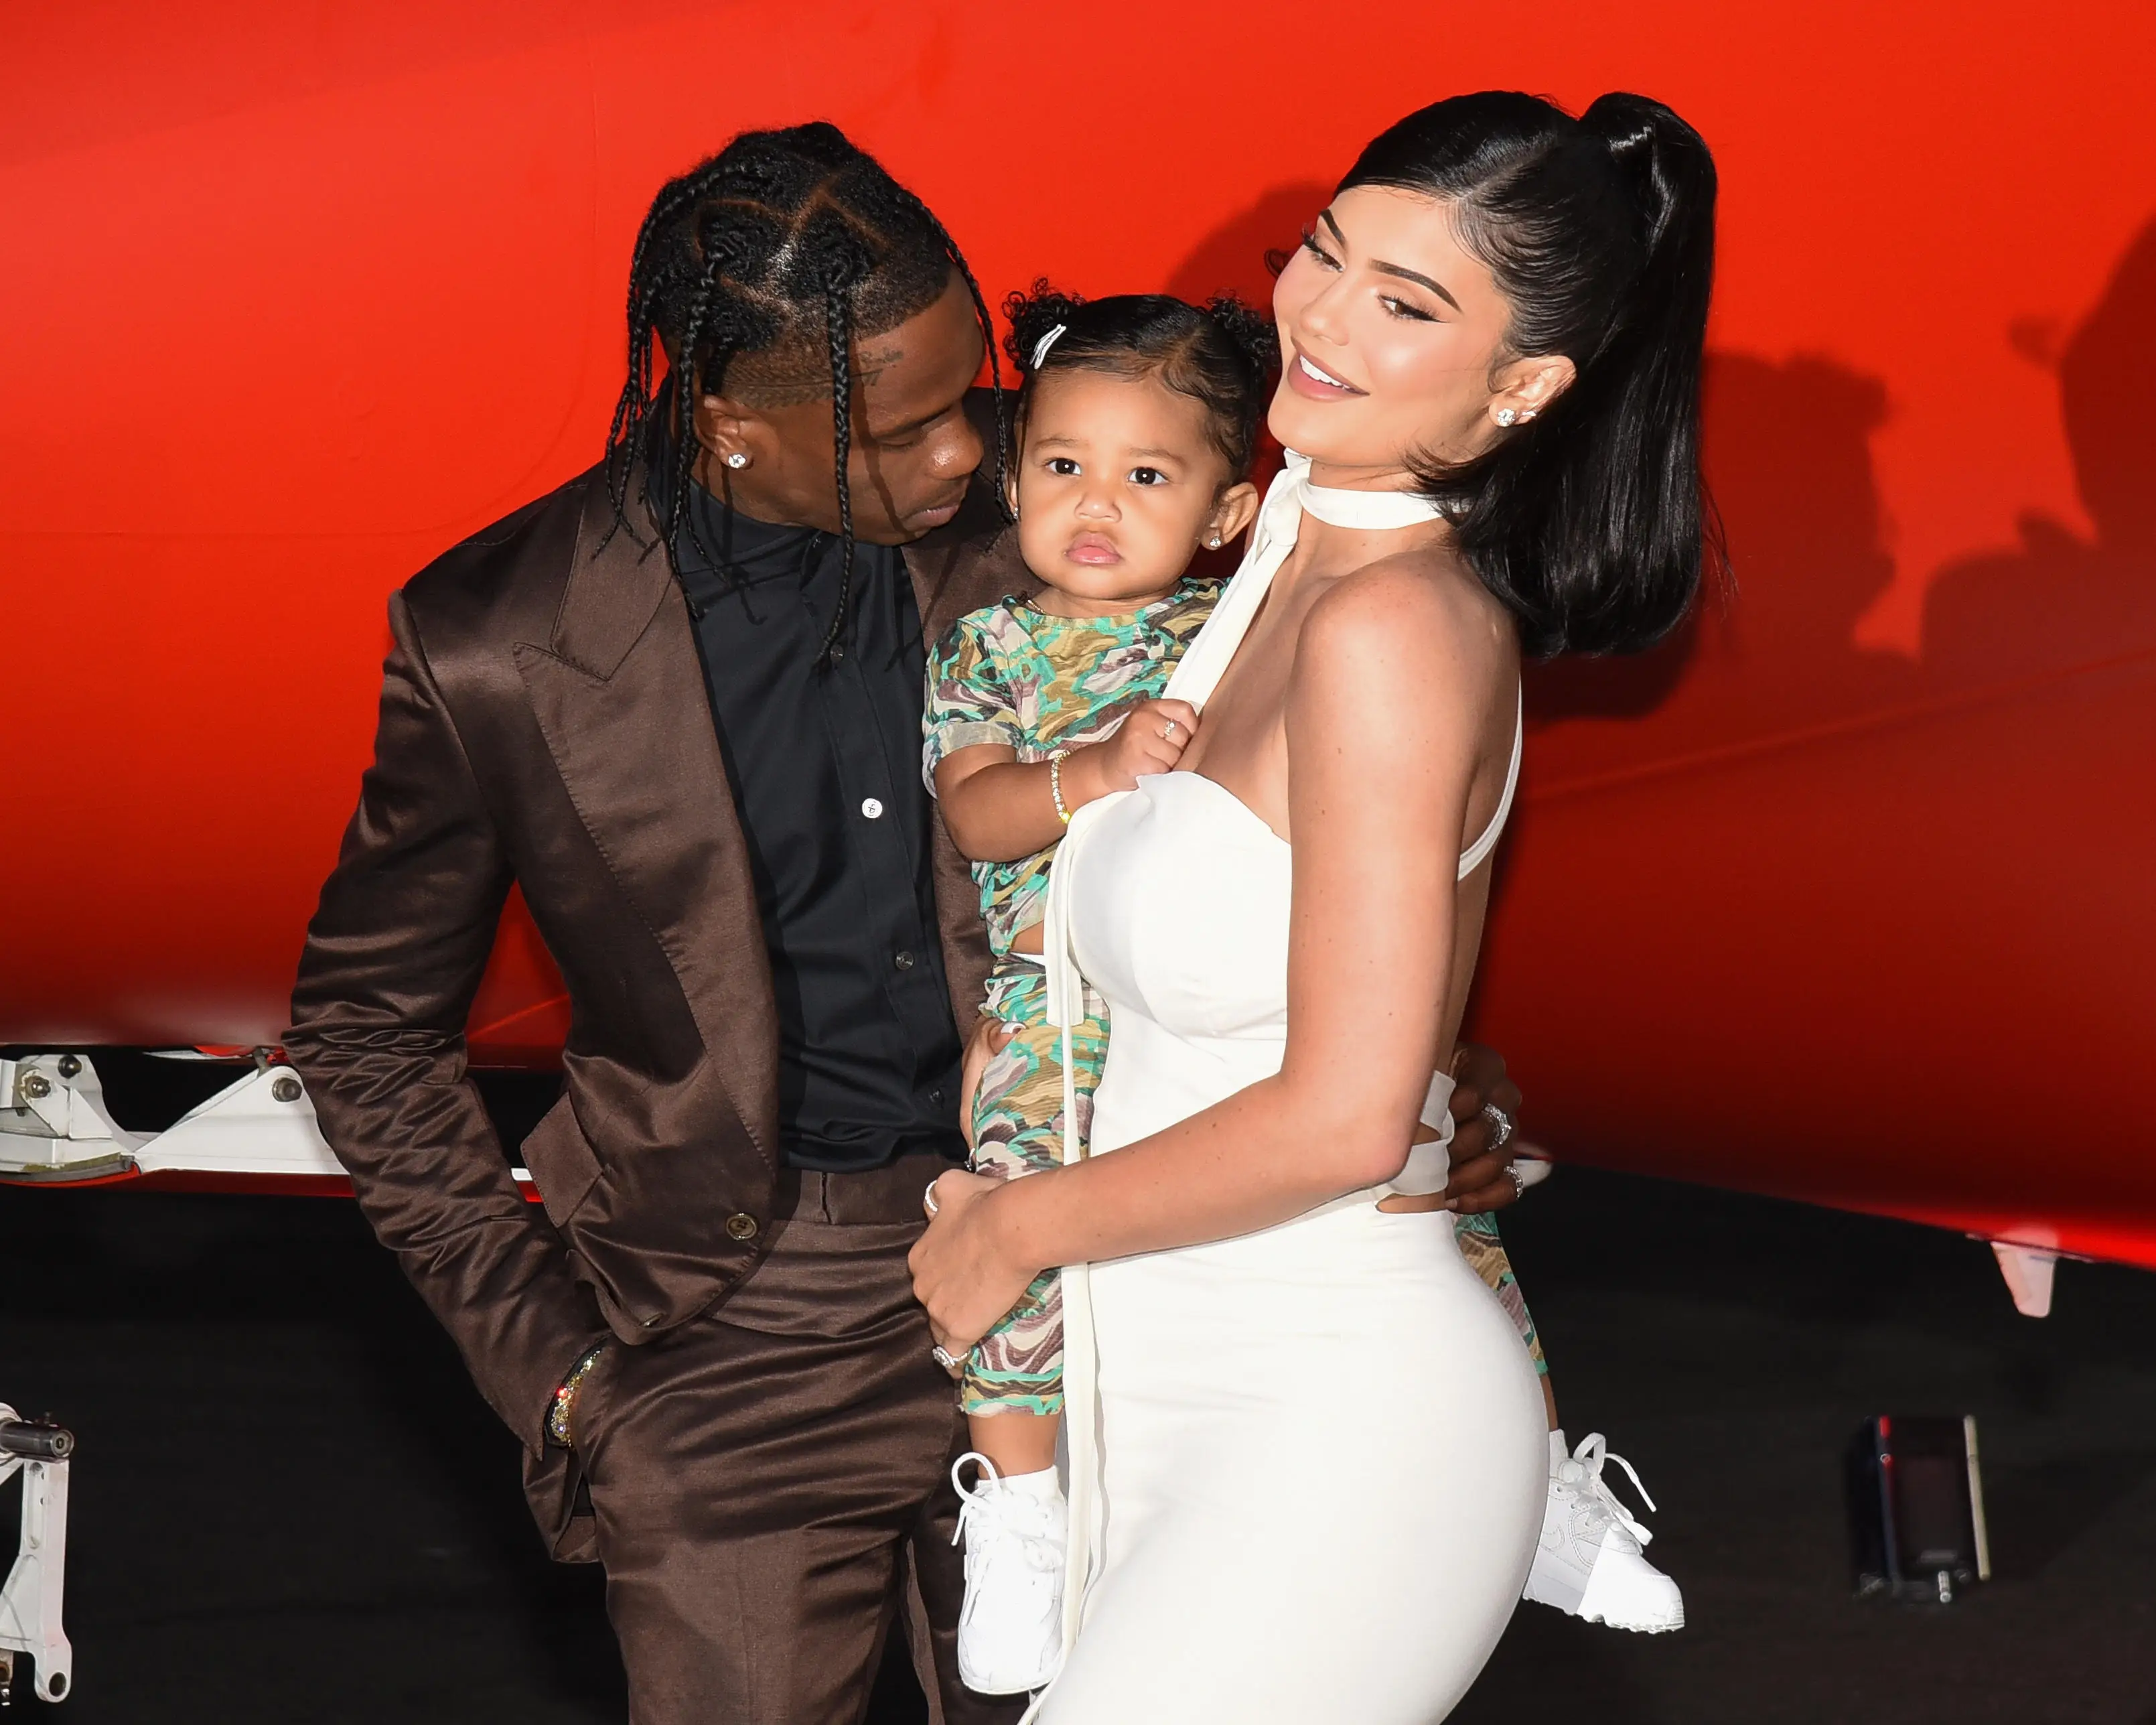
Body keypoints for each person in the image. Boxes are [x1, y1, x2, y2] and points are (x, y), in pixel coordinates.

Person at [285, 121, 1526, 1725]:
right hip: (730, 1337)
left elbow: (1325, 800)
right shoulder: (500, 640)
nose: (977, 458)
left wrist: (1414, 1083)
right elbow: (361, 1031)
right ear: (732, 426)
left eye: (976, 390)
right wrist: (566, 1378)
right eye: (914, 427)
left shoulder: (1088, 487)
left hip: (1099, 1257)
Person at [910, 88, 1717, 1722]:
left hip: (1332, 1412)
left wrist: (1012, 1226)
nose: (1323, 320)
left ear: (1526, 384)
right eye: (1326, 256)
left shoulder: (1393, 628)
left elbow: (1348, 1116)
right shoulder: (1274, 542)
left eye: (1405, 305)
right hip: (1150, 1380)